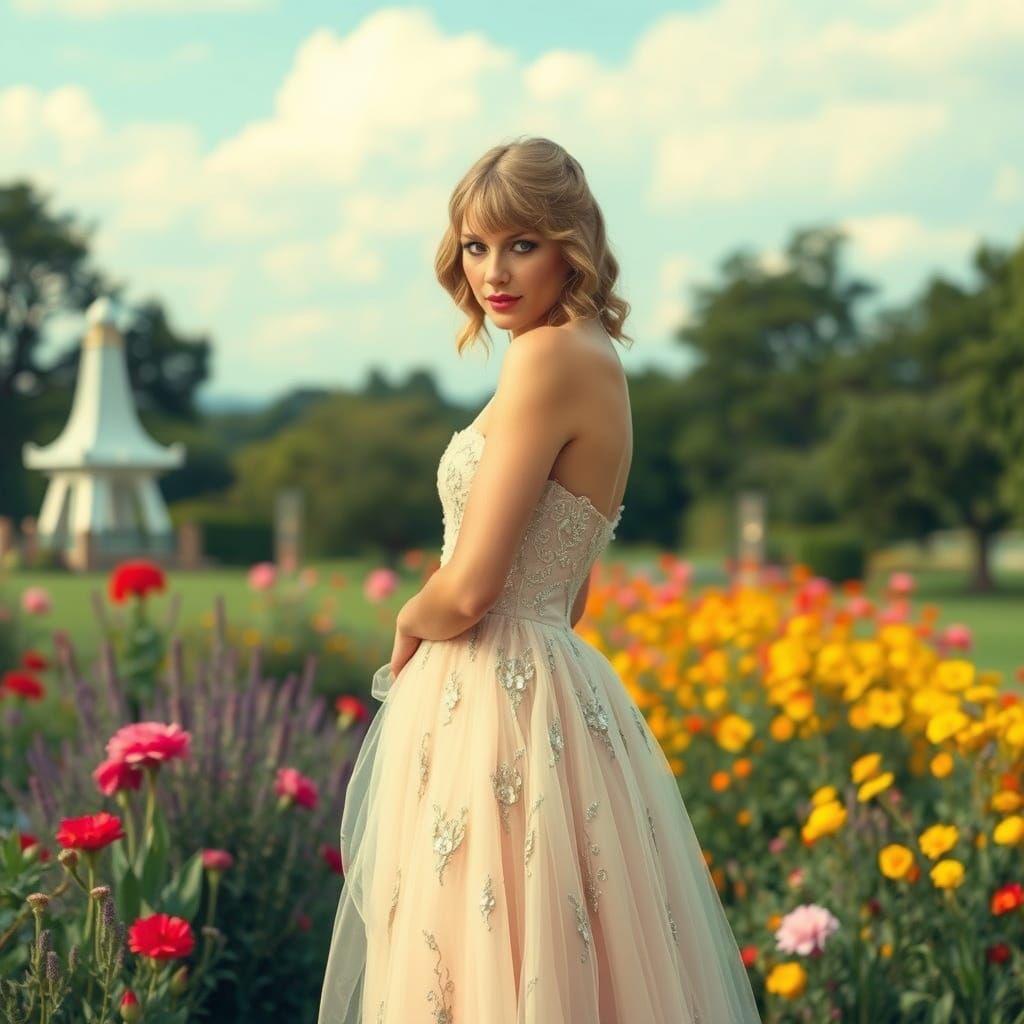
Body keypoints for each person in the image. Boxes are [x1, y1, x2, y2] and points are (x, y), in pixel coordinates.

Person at [317, 137, 762, 1024]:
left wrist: (411, 615)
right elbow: (573, 590)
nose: (493, 272)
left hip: (493, 691)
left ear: (574, 244)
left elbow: (473, 586)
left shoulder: (546, 356)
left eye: (522, 244)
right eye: (475, 247)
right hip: (556, 685)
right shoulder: (598, 355)